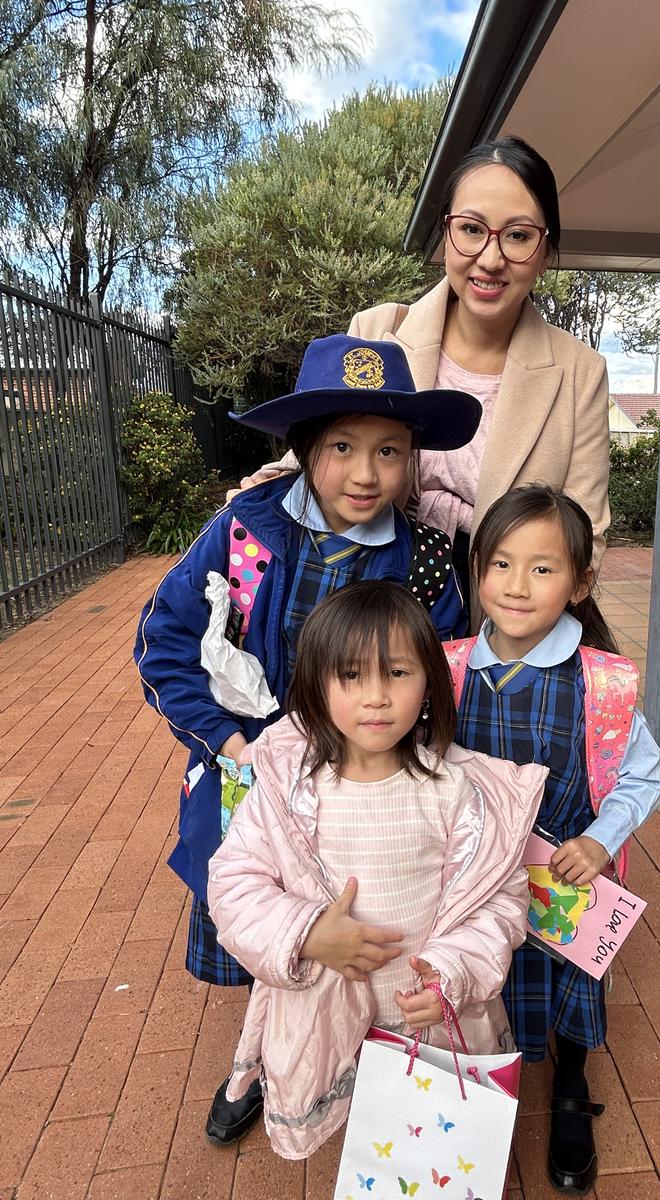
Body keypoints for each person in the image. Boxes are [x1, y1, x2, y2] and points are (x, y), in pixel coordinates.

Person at [134, 334, 481, 1148]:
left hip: (366, 793)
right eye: (342, 447)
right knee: (270, 924)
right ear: (304, 447)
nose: (366, 473)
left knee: (362, 932)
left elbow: (445, 676)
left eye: (389, 450)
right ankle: (259, 1062)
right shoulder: (244, 532)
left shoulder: (427, 563)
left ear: (413, 458)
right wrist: (227, 741)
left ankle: (358, 1065)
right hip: (251, 782)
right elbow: (164, 641)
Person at [205, 582, 547, 1160]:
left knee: (427, 1147)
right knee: (364, 1138)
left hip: (429, 1016)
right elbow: (234, 883)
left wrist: (453, 973)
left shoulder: (454, 791)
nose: (376, 698)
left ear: (429, 683)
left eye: (397, 673)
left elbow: (500, 903)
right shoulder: (290, 791)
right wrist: (306, 933)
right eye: (351, 676)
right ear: (317, 686)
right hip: (327, 1016)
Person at [238, 135, 611, 611]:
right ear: (446, 233)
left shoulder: (579, 372)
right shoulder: (377, 332)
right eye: (472, 229)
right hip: (368, 604)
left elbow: (584, 532)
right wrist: (256, 495)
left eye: (518, 235)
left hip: (503, 615)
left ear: (545, 248)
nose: (491, 258)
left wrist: (519, 631)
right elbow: (318, 452)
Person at [443, 485, 660, 1195]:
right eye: (501, 563)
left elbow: (644, 773)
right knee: (481, 979)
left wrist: (601, 841)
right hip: (471, 881)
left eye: (542, 568)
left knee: (568, 986)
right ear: (477, 569)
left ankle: (571, 1083)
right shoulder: (446, 670)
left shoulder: (602, 684)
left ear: (580, 583)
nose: (517, 585)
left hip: (565, 877)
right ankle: (476, 1084)